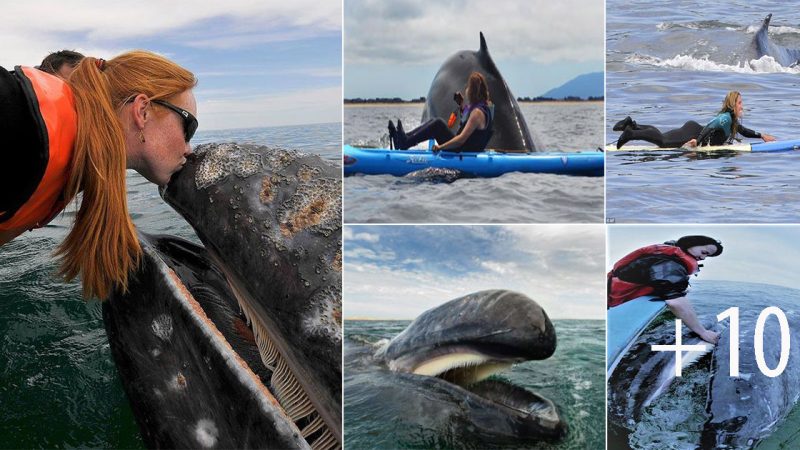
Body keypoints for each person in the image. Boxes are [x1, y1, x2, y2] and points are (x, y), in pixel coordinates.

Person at [0, 51, 197, 299]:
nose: (189, 148)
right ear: (142, 111)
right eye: (188, 127)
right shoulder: (19, 120)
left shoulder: (78, 158)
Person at [608, 235, 723, 344]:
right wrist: (703, 332)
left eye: (707, 256)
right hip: (612, 301)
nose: (703, 258)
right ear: (691, 243)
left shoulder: (668, 253)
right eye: (704, 252)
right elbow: (675, 302)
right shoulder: (669, 264)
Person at [614, 91, 776, 149]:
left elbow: (744, 131)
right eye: (740, 103)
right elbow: (710, 127)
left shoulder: (731, 119)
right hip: (692, 133)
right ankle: (630, 134)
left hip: (692, 129)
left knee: (662, 136)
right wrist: (697, 143)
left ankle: (632, 124)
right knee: (663, 142)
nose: (742, 106)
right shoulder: (725, 118)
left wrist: (762, 135)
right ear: (733, 104)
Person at [387, 71, 493, 152]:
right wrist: (461, 106)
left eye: (469, 87)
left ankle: (405, 142)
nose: (467, 90)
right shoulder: (482, 108)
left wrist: (440, 147)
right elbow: (470, 129)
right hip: (465, 149)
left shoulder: (477, 113)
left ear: (473, 92)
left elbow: (461, 139)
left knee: (438, 124)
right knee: (435, 121)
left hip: (462, 151)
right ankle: (403, 138)